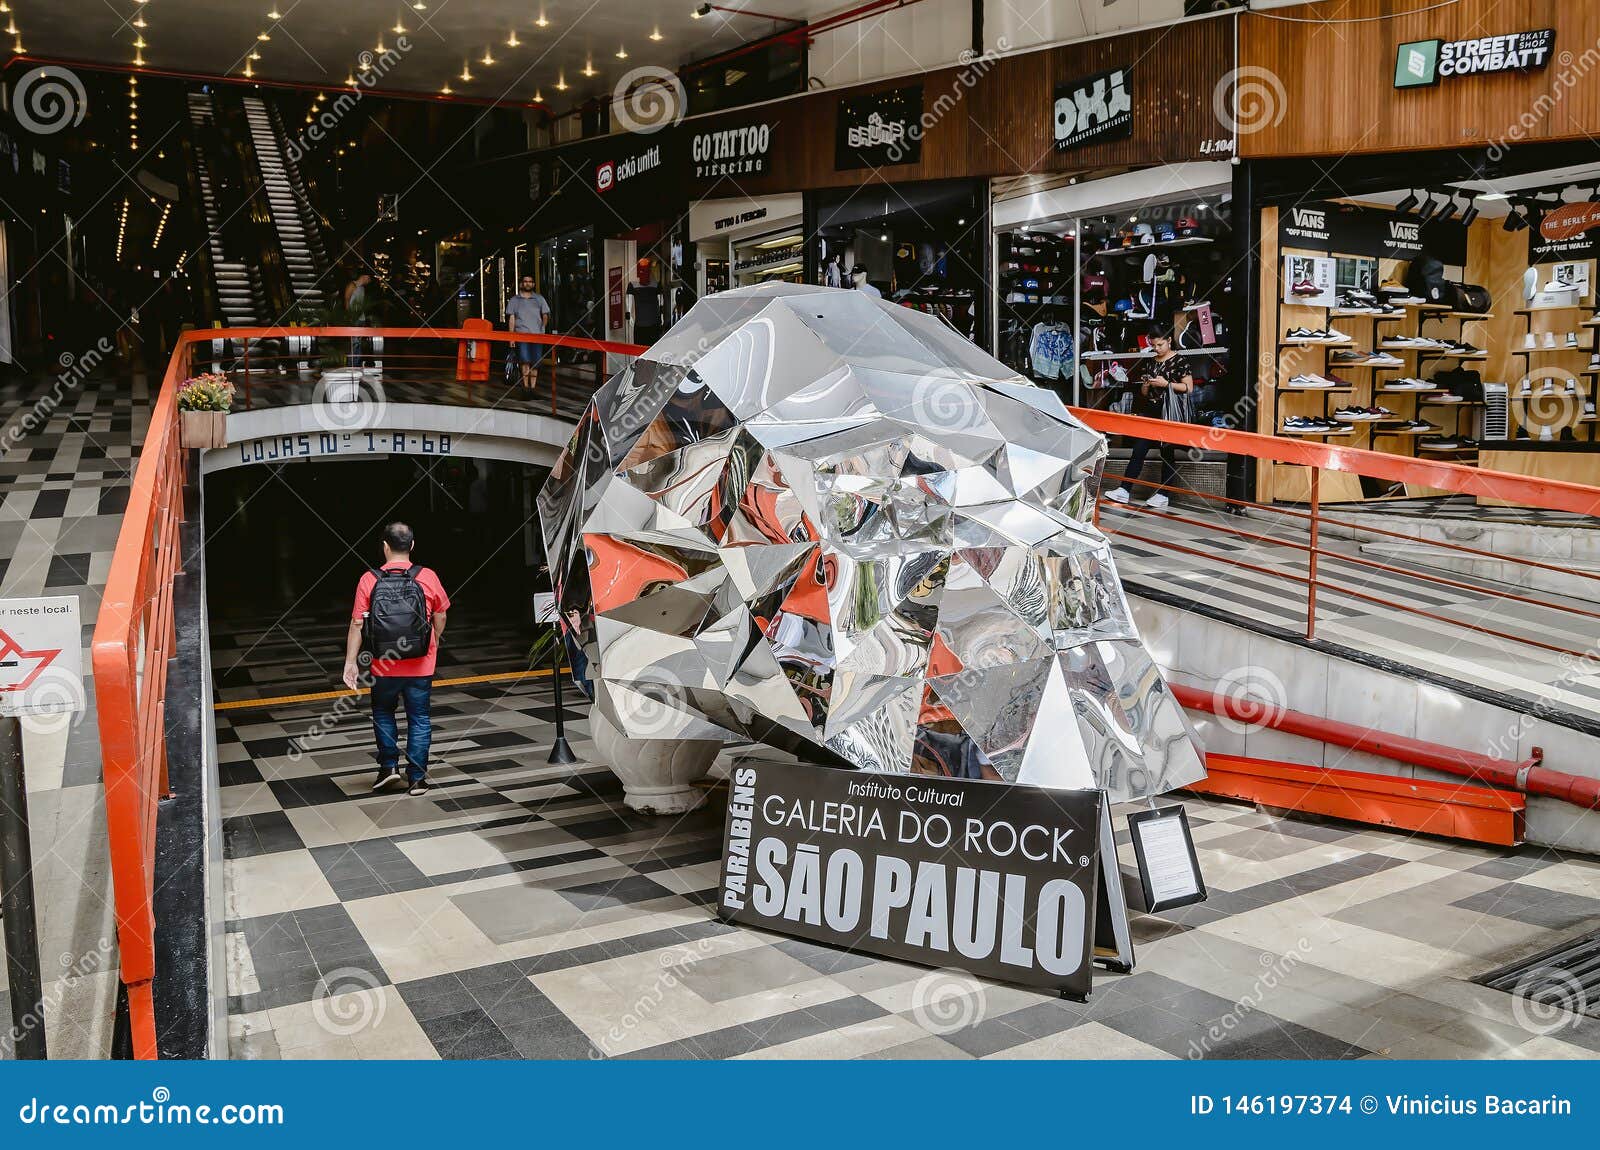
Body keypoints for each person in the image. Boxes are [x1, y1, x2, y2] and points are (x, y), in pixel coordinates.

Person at [343, 522, 451, 796]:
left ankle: (389, 768)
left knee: (383, 712)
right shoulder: (427, 576)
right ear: (412, 545)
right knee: (419, 718)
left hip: (383, 664)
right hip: (421, 664)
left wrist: (350, 662)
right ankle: (417, 779)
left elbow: (357, 624)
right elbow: (440, 615)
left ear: (385, 547)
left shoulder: (369, 579)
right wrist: (432, 639)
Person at [1104, 331, 1194, 510]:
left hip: (1169, 411)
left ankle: (1163, 494)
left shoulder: (1180, 361)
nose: (1157, 349)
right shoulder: (1151, 361)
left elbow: (1188, 388)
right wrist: (1146, 386)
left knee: (1167, 452)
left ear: (1169, 340)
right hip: (1151, 410)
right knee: (1139, 448)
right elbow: (1144, 394)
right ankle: (1124, 489)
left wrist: (1166, 384)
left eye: (1160, 345)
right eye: (1153, 345)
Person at [505, 274, 553, 392]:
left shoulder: (539, 299)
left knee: (535, 362)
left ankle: (533, 388)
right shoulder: (514, 300)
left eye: (530, 281)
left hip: (537, 336)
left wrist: (542, 329)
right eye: (525, 281)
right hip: (521, 336)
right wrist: (511, 337)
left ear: (533, 284)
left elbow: (545, 315)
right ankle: (526, 388)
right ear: (521, 283)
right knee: (525, 361)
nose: (527, 283)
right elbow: (512, 319)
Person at [626, 258, 665, 345]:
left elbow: (661, 301)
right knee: (640, 349)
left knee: (651, 348)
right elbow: (629, 298)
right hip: (640, 323)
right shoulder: (632, 285)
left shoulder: (656, 285)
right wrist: (628, 315)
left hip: (653, 323)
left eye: (646, 269)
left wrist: (661, 315)